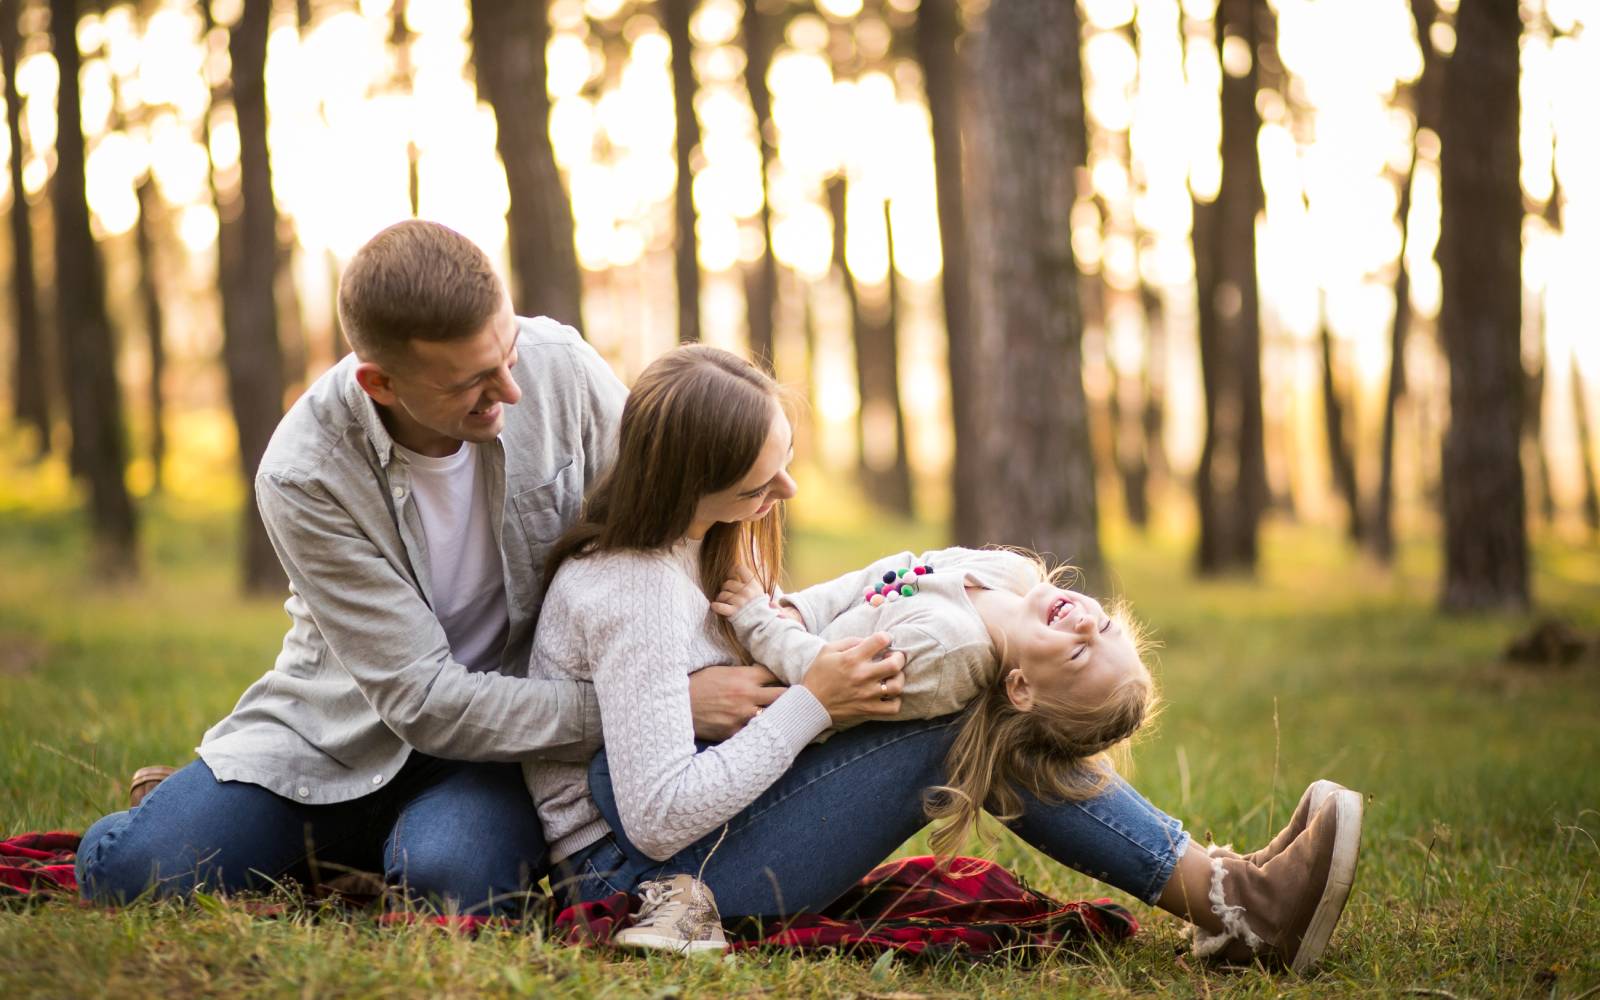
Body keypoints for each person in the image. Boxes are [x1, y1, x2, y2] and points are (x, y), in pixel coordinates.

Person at [528, 344, 1364, 972]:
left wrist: (802, 668)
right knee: (984, 710)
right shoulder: (632, 590)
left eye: (783, 465)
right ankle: (1231, 902)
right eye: (760, 484)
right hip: (643, 875)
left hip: (708, 837)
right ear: (686, 482)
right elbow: (656, 815)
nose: (783, 495)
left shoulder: (696, 544)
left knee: (994, 692)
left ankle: (1225, 891)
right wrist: (813, 700)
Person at [73, 221, 775, 915]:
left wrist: (762, 634)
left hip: (510, 741)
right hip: (333, 737)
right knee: (134, 875)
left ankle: (360, 854)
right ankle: (237, 819)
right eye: (473, 381)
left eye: (508, 353)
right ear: (379, 381)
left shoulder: (561, 366)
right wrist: (659, 706)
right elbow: (424, 702)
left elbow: (678, 513)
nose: (512, 389)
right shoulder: (305, 473)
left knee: (459, 887)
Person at [712, 546, 1153, 858]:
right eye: (1106, 625)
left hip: (756, 720)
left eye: (1079, 653)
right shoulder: (1010, 573)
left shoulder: (947, 655)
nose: (1084, 624)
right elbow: (898, 570)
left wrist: (760, 621)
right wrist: (802, 609)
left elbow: (821, 676)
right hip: (776, 636)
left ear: (1021, 689)